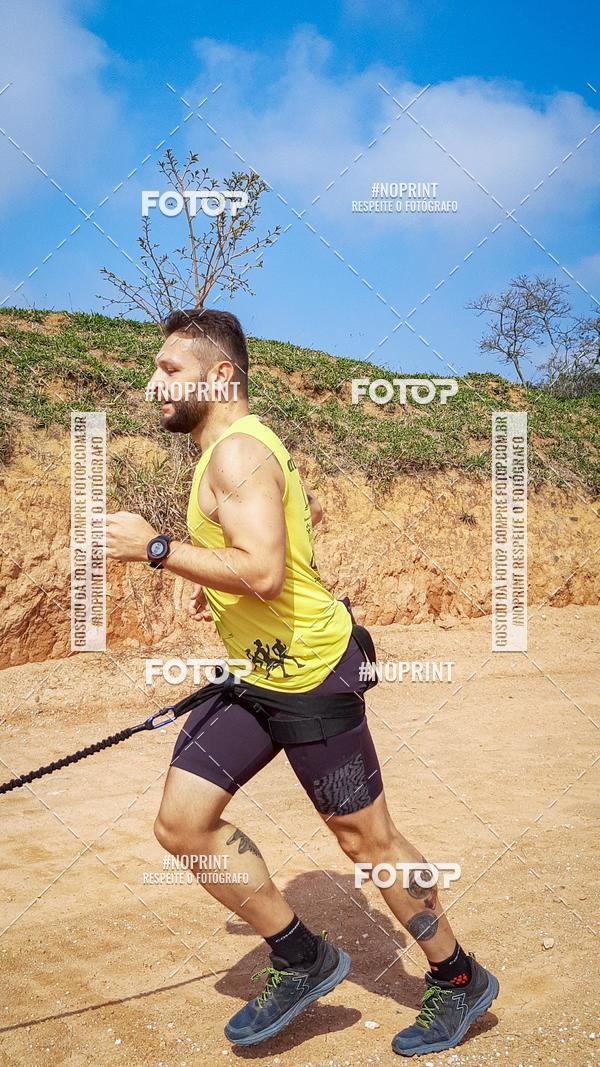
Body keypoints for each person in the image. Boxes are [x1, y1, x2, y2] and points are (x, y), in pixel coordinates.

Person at [106, 307, 499, 1056]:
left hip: (311, 674)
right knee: (184, 823)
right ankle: (302, 957)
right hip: (258, 673)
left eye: (170, 368)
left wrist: (158, 549)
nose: (155, 382)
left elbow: (263, 570)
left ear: (221, 374)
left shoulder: (237, 453)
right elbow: (270, 559)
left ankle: (457, 978)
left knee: (366, 840)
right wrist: (212, 582)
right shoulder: (229, 450)